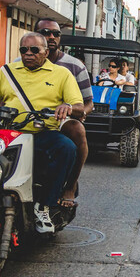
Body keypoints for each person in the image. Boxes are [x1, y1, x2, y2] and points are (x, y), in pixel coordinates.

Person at [0, 32, 84, 233]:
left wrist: (67, 107)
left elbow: (77, 104)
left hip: (40, 133)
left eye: (35, 50)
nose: (28, 54)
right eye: (24, 50)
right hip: (7, 132)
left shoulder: (61, 74)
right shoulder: (7, 71)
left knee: (66, 148)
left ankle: (44, 205)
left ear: (46, 51)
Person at [34, 20, 93, 207]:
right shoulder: (19, 64)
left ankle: (70, 184)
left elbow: (88, 102)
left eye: (56, 34)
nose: (51, 37)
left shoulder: (74, 66)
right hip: (25, 117)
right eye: (45, 32)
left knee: (77, 130)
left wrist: (77, 112)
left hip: (59, 119)